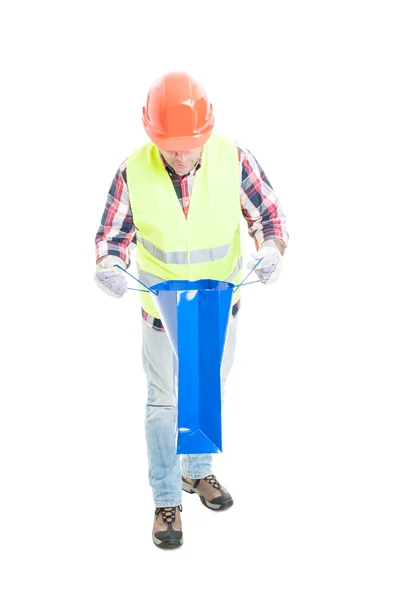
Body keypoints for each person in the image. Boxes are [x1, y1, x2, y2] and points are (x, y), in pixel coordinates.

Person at [94, 72, 289, 549]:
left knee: (208, 389)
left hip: (220, 306)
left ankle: (196, 473)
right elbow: (111, 239)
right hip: (160, 312)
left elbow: (268, 217)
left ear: (206, 132)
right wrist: (109, 264)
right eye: (170, 147)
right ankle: (166, 499)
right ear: (152, 135)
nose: (180, 156)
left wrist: (273, 249)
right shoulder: (132, 171)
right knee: (163, 403)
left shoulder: (233, 158)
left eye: (189, 145)